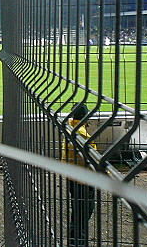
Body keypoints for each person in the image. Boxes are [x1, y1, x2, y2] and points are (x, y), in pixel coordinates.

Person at [62, 103, 96, 246]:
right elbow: (92, 158)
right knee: (82, 215)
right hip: (83, 179)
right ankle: (78, 243)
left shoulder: (70, 126)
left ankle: (76, 242)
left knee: (78, 214)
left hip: (74, 176)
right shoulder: (80, 133)